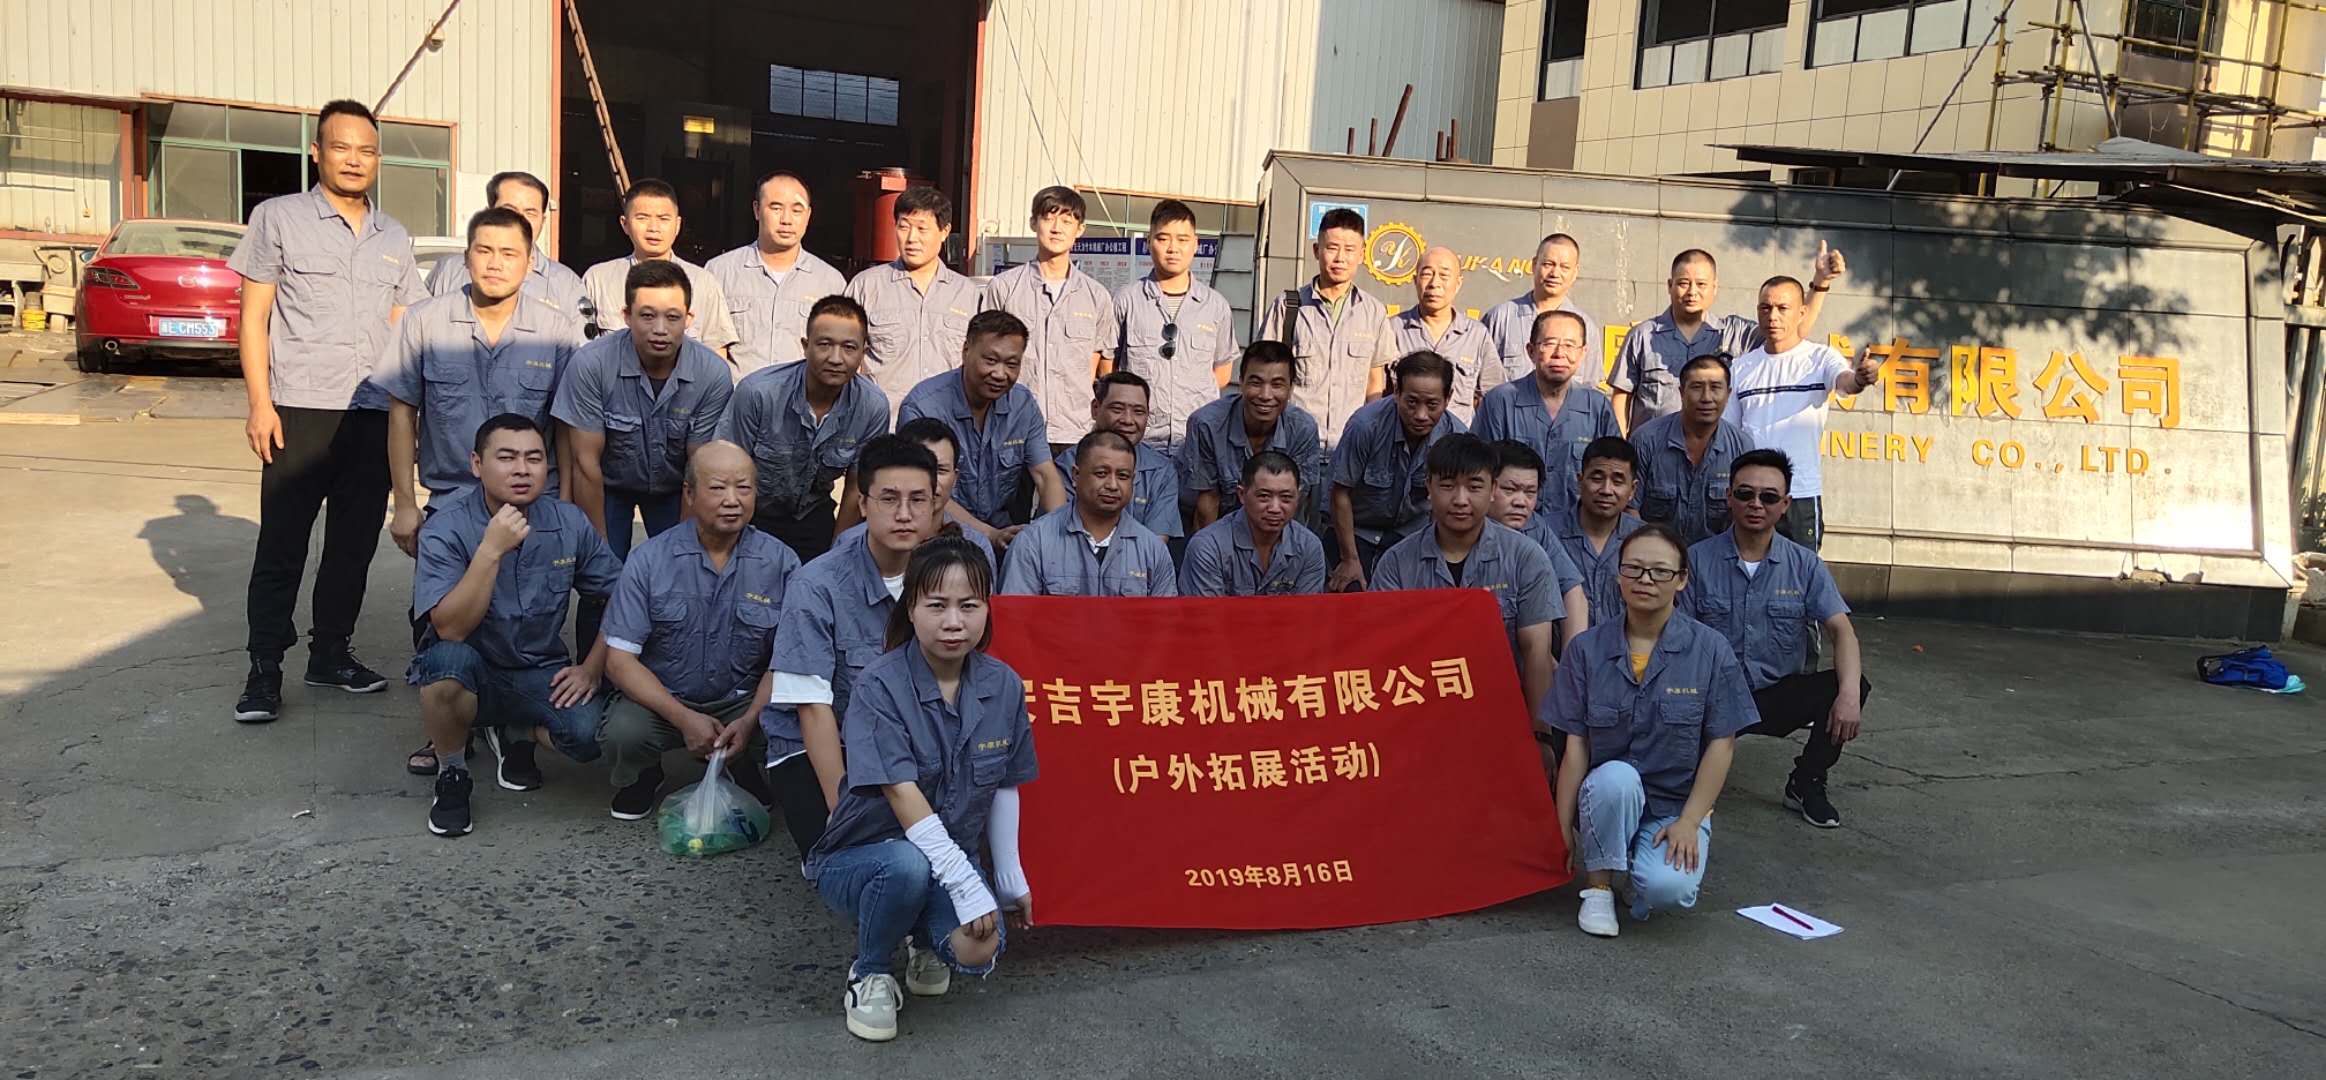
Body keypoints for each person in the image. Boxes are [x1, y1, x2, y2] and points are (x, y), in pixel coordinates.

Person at [227, 98, 427, 724]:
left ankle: (331, 653)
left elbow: (405, 327)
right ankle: (264, 668)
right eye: (341, 147)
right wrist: (259, 404)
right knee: (282, 545)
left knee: (352, 545)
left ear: (378, 158)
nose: (354, 160)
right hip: (299, 409)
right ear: (317, 152)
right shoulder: (278, 218)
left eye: (366, 150)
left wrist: (409, 415)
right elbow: (254, 318)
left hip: (372, 414)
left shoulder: (394, 236)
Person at [802, 536, 1035, 1043]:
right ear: (910, 608)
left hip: (948, 853)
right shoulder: (879, 685)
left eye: (969, 606)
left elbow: (1005, 782)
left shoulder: (1004, 685)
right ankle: (869, 971)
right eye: (936, 605)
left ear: (987, 609)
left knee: (978, 948)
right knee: (906, 866)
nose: (953, 622)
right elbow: (901, 793)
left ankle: (925, 940)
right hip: (867, 855)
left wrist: (1008, 876)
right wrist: (965, 884)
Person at [409, 415, 621, 837]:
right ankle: (452, 774)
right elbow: (450, 628)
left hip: (539, 669)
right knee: (445, 664)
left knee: (592, 736)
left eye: (534, 458)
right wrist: (491, 549)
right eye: (506, 458)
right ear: (477, 464)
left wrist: (592, 666)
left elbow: (623, 596)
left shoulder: (568, 522)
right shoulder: (447, 526)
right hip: (473, 671)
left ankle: (516, 732)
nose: (522, 469)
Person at [1544, 524, 1757, 937]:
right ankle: (1599, 887)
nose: (1645, 580)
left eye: (1660, 571)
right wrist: (1561, 827)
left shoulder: (1710, 650)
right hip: (1607, 797)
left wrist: (1690, 821)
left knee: (1668, 890)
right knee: (1617, 778)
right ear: (1619, 574)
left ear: (1682, 579)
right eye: (1634, 569)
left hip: (1674, 804)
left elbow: (1722, 744)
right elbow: (1575, 749)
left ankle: (1638, 880)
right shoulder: (1586, 650)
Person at [764, 435, 950, 857]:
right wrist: (842, 810)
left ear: (934, 504)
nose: (904, 514)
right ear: (863, 503)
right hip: (820, 745)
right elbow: (812, 709)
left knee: (930, 854)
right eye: (889, 499)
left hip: (906, 743)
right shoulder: (817, 584)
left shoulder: (946, 576)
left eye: (917, 500)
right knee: (867, 862)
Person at [599, 441, 799, 821]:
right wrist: (683, 718)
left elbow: (787, 659)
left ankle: (741, 763)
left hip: (742, 700)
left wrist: (748, 720)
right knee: (623, 732)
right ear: (689, 494)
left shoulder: (781, 562)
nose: (732, 500)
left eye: (744, 488)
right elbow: (619, 661)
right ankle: (644, 774)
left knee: (795, 723)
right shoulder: (649, 560)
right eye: (718, 487)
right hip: (667, 698)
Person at [380, 207, 584, 558]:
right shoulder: (424, 322)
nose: (495, 264)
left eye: (509, 254)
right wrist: (405, 504)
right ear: (466, 257)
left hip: (534, 507)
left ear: (529, 263)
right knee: (449, 596)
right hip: (451, 504)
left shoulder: (555, 330)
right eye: (484, 250)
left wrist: (564, 505)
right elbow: (401, 414)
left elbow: (565, 428)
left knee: (533, 594)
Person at [1682, 449, 1870, 829]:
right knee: (1673, 786)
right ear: (1728, 497)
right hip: (1712, 695)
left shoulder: (1805, 565)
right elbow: (1678, 637)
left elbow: (1842, 630)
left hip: (1775, 693)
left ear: (1784, 505)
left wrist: (1849, 696)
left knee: (1848, 685)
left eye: (1768, 497)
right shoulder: (1696, 561)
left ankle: (1807, 781)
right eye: (1745, 494)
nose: (1756, 504)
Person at [554, 260, 735, 563]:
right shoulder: (591, 364)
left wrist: (683, 552)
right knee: (600, 571)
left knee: (682, 567)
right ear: (626, 316)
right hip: (608, 484)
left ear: (689, 318)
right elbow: (585, 464)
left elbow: (699, 468)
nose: (660, 330)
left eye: (673, 317)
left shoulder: (712, 374)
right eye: (647, 316)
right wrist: (599, 550)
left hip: (676, 485)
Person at [1371, 435, 1560, 718]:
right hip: (1419, 713)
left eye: (1474, 487)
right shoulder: (1397, 563)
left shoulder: (1526, 558)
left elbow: (1537, 652)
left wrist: (1539, 732)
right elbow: (1382, 650)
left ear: (1493, 489)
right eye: (1447, 486)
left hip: (1504, 712)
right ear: (1429, 487)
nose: (1460, 500)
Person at [716, 294, 890, 562]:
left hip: (813, 512)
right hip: (753, 515)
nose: (836, 358)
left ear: (863, 353)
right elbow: (725, 470)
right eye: (824, 345)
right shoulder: (759, 393)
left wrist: (836, 556)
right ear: (805, 347)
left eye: (849, 347)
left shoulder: (872, 407)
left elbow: (857, 487)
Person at [1609, 246, 1843, 433]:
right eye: (1683, 283)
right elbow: (1621, 398)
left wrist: (1820, 283)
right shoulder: (1643, 336)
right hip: (1653, 458)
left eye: (1701, 284)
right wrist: (1621, 451)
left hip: (1712, 460)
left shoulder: (1735, 333)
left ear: (1714, 288)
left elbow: (1792, 331)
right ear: (1670, 286)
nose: (1692, 292)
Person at [1724, 276, 1882, 550]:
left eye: (1782, 308)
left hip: (1800, 495)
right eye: (1765, 308)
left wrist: (1860, 378)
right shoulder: (1741, 368)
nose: (1773, 316)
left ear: (1801, 313)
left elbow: (1846, 382)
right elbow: (1729, 435)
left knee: (1800, 572)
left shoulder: (1820, 358)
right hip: (1750, 498)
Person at [896, 310, 1065, 549]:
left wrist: (1055, 535)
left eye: (1012, 364)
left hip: (1004, 529)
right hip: (937, 535)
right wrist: (988, 535)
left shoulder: (1023, 405)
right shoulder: (923, 406)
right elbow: (925, 489)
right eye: (990, 360)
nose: (1000, 374)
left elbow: (1045, 476)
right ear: (966, 350)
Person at [981, 186, 1120, 452]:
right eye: (1048, 218)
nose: (1057, 229)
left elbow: (1101, 368)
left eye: (1067, 221)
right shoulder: (1004, 288)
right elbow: (984, 359)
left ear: (1080, 229)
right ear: (1033, 223)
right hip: (1012, 429)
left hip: (1074, 432)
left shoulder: (1096, 296)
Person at [1254, 207, 1396, 447]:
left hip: (1350, 446)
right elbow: (1263, 375)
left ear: (1362, 254)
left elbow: (1375, 383)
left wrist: (1369, 437)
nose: (1340, 258)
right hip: (1293, 445)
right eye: (1332, 248)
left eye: (1349, 249)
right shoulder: (1288, 307)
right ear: (1316, 250)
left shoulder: (1373, 312)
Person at [1328, 350, 1466, 591]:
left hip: (1413, 535)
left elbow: (1448, 504)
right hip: (1357, 532)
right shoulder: (1365, 426)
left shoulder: (1456, 436)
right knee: (1351, 594)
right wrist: (1349, 559)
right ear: (1396, 393)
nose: (1421, 415)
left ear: (1448, 398)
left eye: (1432, 405)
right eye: (1411, 402)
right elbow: (1340, 492)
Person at [1113, 198, 1236, 455]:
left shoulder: (1216, 306)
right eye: (1163, 238)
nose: (1173, 248)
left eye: (1182, 239)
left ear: (1196, 244)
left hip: (1197, 443)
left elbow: (1222, 374)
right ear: (1148, 242)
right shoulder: (1127, 300)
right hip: (1139, 442)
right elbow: (1109, 369)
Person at [1473, 308, 1620, 521]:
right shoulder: (1500, 401)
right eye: (1549, 344)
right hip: (1511, 528)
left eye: (1569, 345)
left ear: (1583, 353)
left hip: (1576, 529)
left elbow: (1614, 473)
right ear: (1531, 350)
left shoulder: (1597, 407)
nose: (1559, 353)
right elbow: (1477, 470)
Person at [846, 186, 979, 409]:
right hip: (885, 422)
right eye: (904, 227)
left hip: (947, 422)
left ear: (944, 231)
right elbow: (844, 357)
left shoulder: (968, 294)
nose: (911, 238)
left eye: (922, 228)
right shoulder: (866, 286)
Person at [999, 431, 1177, 597]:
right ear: (1076, 475)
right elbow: (1016, 616)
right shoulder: (1034, 542)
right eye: (1101, 473)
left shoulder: (1152, 550)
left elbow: (1165, 618)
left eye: (1123, 476)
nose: (1112, 485)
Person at [707, 171, 848, 378]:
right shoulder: (720, 272)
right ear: (756, 210)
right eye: (776, 208)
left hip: (801, 397)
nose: (786, 220)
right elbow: (711, 350)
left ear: (808, 215)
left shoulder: (830, 282)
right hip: (738, 396)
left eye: (797, 210)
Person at [578, 178, 740, 358]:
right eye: (642, 218)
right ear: (625, 224)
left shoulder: (703, 282)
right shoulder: (598, 279)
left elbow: (716, 353)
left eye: (663, 219)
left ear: (677, 225)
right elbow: (584, 351)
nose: (653, 228)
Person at [1180, 341, 1323, 531]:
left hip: (1276, 530)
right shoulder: (1207, 425)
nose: (1265, 395)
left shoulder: (1302, 429)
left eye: (1277, 385)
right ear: (1241, 382)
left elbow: (1295, 505)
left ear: (1290, 389)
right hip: (1219, 528)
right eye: (1256, 383)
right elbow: (1207, 506)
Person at [422, 170, 590, 327]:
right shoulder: (449, 272)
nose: (520, 221)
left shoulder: (567, 285)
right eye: (508, 211)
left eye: (530, 213)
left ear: (542, 221)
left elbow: (581, 346)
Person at [1629, 354, 1753, 547]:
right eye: (1696, 387)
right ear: (1681, 392)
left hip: (1717, 557)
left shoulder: (1741, 447)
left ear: (1728, 394)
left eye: (1715, 388)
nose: (1706, 398)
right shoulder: (1646, 440)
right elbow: (1630, 510)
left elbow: (1745, 516)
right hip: (1655, 555)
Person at [1052, 371, 1182, 542]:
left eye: (1138, 411)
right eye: (1117, 409)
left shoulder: (1161, 470)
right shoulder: (1066, 464)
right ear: (1095, 409)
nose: (1128, 420)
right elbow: (1060, 537)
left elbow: (1157, 543)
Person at [1178, 449, 1328, 596]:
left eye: (1286, 497)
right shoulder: (1208, 547)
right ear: (1242, 494)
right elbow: (1206, 611)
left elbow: (1307, 610)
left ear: (1298, 497)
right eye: (1264, 496)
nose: (1275, 508)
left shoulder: (1309, 547)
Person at [1485, 440, 1589, 649]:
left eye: (1530, 492)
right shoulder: (1466, 528)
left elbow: (1572, 590)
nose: (1520, 502)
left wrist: (1573, 659)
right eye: (1509, 490)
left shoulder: (1536, 527)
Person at [1391, 245, 1501, 424]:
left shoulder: (1476, 335)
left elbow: (1493, 397)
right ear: (1415, 280)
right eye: (1427, 274)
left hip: (1457, 438)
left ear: (1458, 283)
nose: (1434, 283)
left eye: (1444, 275)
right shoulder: (1393, 329)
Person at [1555, 436, 1647, 634]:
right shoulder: (1546, 535)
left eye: (1618, 481)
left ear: (1632, 490)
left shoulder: (1647, 541)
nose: (1606, 490)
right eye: (1597, 479)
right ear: (1580, 481)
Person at [1481, 234, 1598, 380]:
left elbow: (1590, 387)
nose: (1555, 273)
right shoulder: (1500, 318)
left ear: (1575, 273)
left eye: (1564, 267)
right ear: (1534, 265)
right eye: (1548, 264)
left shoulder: (1586, 327)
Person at [891, 418, 1000, 568]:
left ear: (955, 478)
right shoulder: (864, 542)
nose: (931, 482)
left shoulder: (977, 546)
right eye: (921, 468)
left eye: (941, 470)